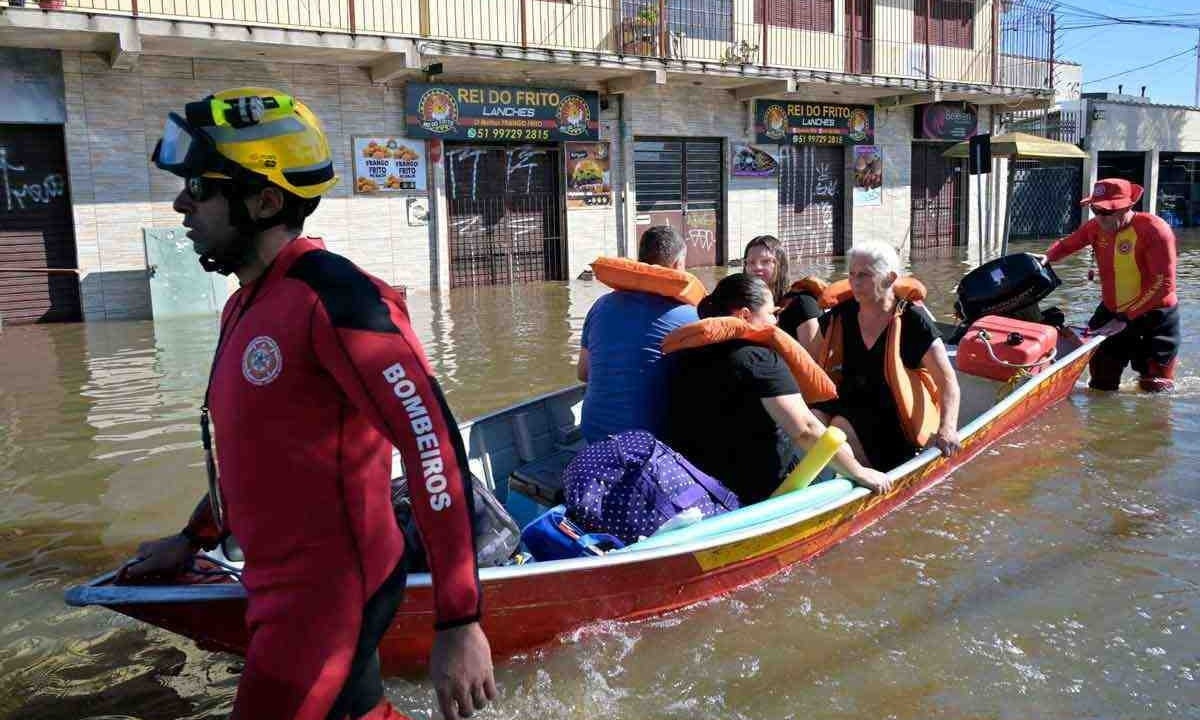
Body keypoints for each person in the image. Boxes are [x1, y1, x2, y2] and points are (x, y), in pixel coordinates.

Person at [121, 88, 495, 720]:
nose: (183, 203)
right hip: (277, 588)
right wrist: (193, 538)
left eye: (201, 188)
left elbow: (432, 445)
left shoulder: (339, 301)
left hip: (333, 594)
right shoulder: (247, 303)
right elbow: (263, 455)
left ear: (265, 201)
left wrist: (459, 620)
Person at [662, 273, 891, 504]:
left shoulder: (686, 355)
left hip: (704, 484)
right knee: (843, 450)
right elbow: (805, 429)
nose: (776, 322)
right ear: (744, 315)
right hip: (765, 488)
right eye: (772, 314)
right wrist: (859, 472)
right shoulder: (759, 359)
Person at [811, 241, 961, 472]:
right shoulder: (840, 316)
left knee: (840, 429)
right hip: (847, 404)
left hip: (892, 419)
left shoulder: (913, 321)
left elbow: (947, 381)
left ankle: (858, 478)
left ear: (890, 278)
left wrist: (947, 428)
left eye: (865, 275)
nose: (855, 282)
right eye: (851, 274)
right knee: (811, 419)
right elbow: (813, 362)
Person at [1041, 178, 1179, 392]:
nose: (1100, 218)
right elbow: (1068, 243)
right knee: (1100, 383)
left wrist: (1126, 317)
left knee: (1155, 388)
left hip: (1154, 314)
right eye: (1096, 210)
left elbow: (1164, 284)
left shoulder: (1154, 229)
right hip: (1112, 311)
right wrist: (1045, 258)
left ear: (1128, 207)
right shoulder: (1095, 227)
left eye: (1107, 212)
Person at [577, 226, 700, 443]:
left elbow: (584, 372)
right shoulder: (692, 316)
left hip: (594, 437)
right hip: (650, 447)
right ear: (678, 265)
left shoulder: (600, 306)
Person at [743, 235, 822, 346]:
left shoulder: (803, 303)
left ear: (781, 265)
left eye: (765, 261)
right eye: (751, 262)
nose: (757, 267)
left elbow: (815, 359)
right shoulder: (743, 307)